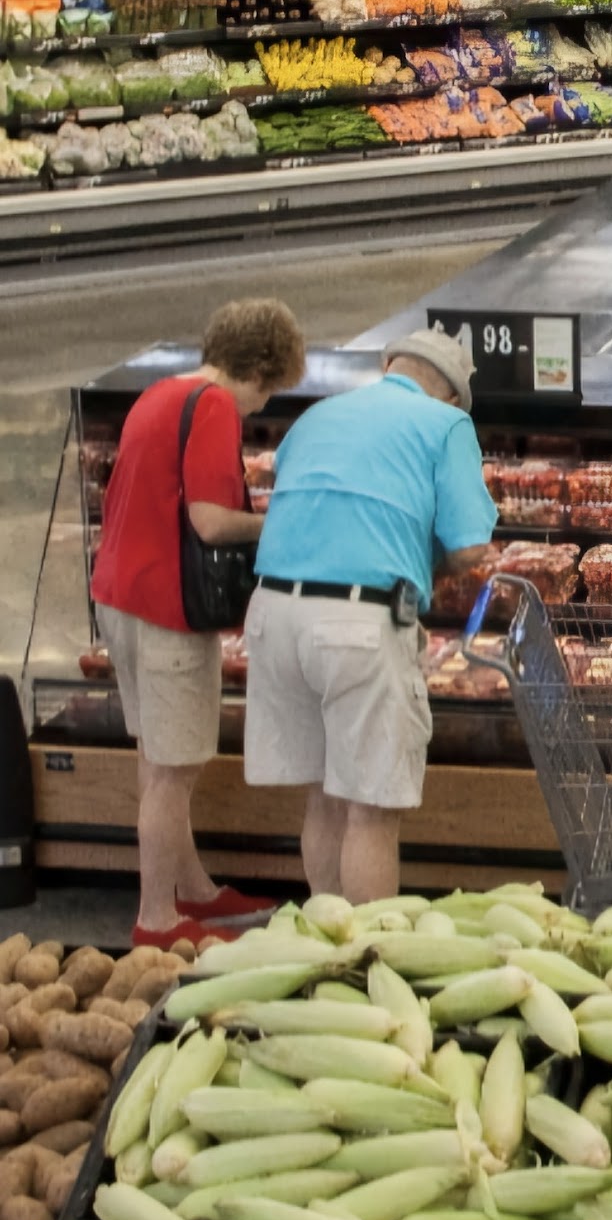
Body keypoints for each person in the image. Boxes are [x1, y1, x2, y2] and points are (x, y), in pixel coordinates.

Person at [245, 328, 496, 903]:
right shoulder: (446, 424)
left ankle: (323, 936)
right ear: (452, 397)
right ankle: (369, 948)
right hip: (357, 625)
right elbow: (469, 549)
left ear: (388, 366)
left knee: (323, 798)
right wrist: (422, 562)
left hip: (272, 615)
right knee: (371, 811)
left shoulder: (316, 415)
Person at [90, 300, 307, 948]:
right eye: (270, 390)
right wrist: (283, 521)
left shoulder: (160, 394)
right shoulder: (213, 407)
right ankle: (156, 916)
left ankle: (191, 889)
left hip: (119, 593)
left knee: (155, 756)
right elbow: (210, 522)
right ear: (261, 369)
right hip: (168, 607)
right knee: (174, 770)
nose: (262, 404)